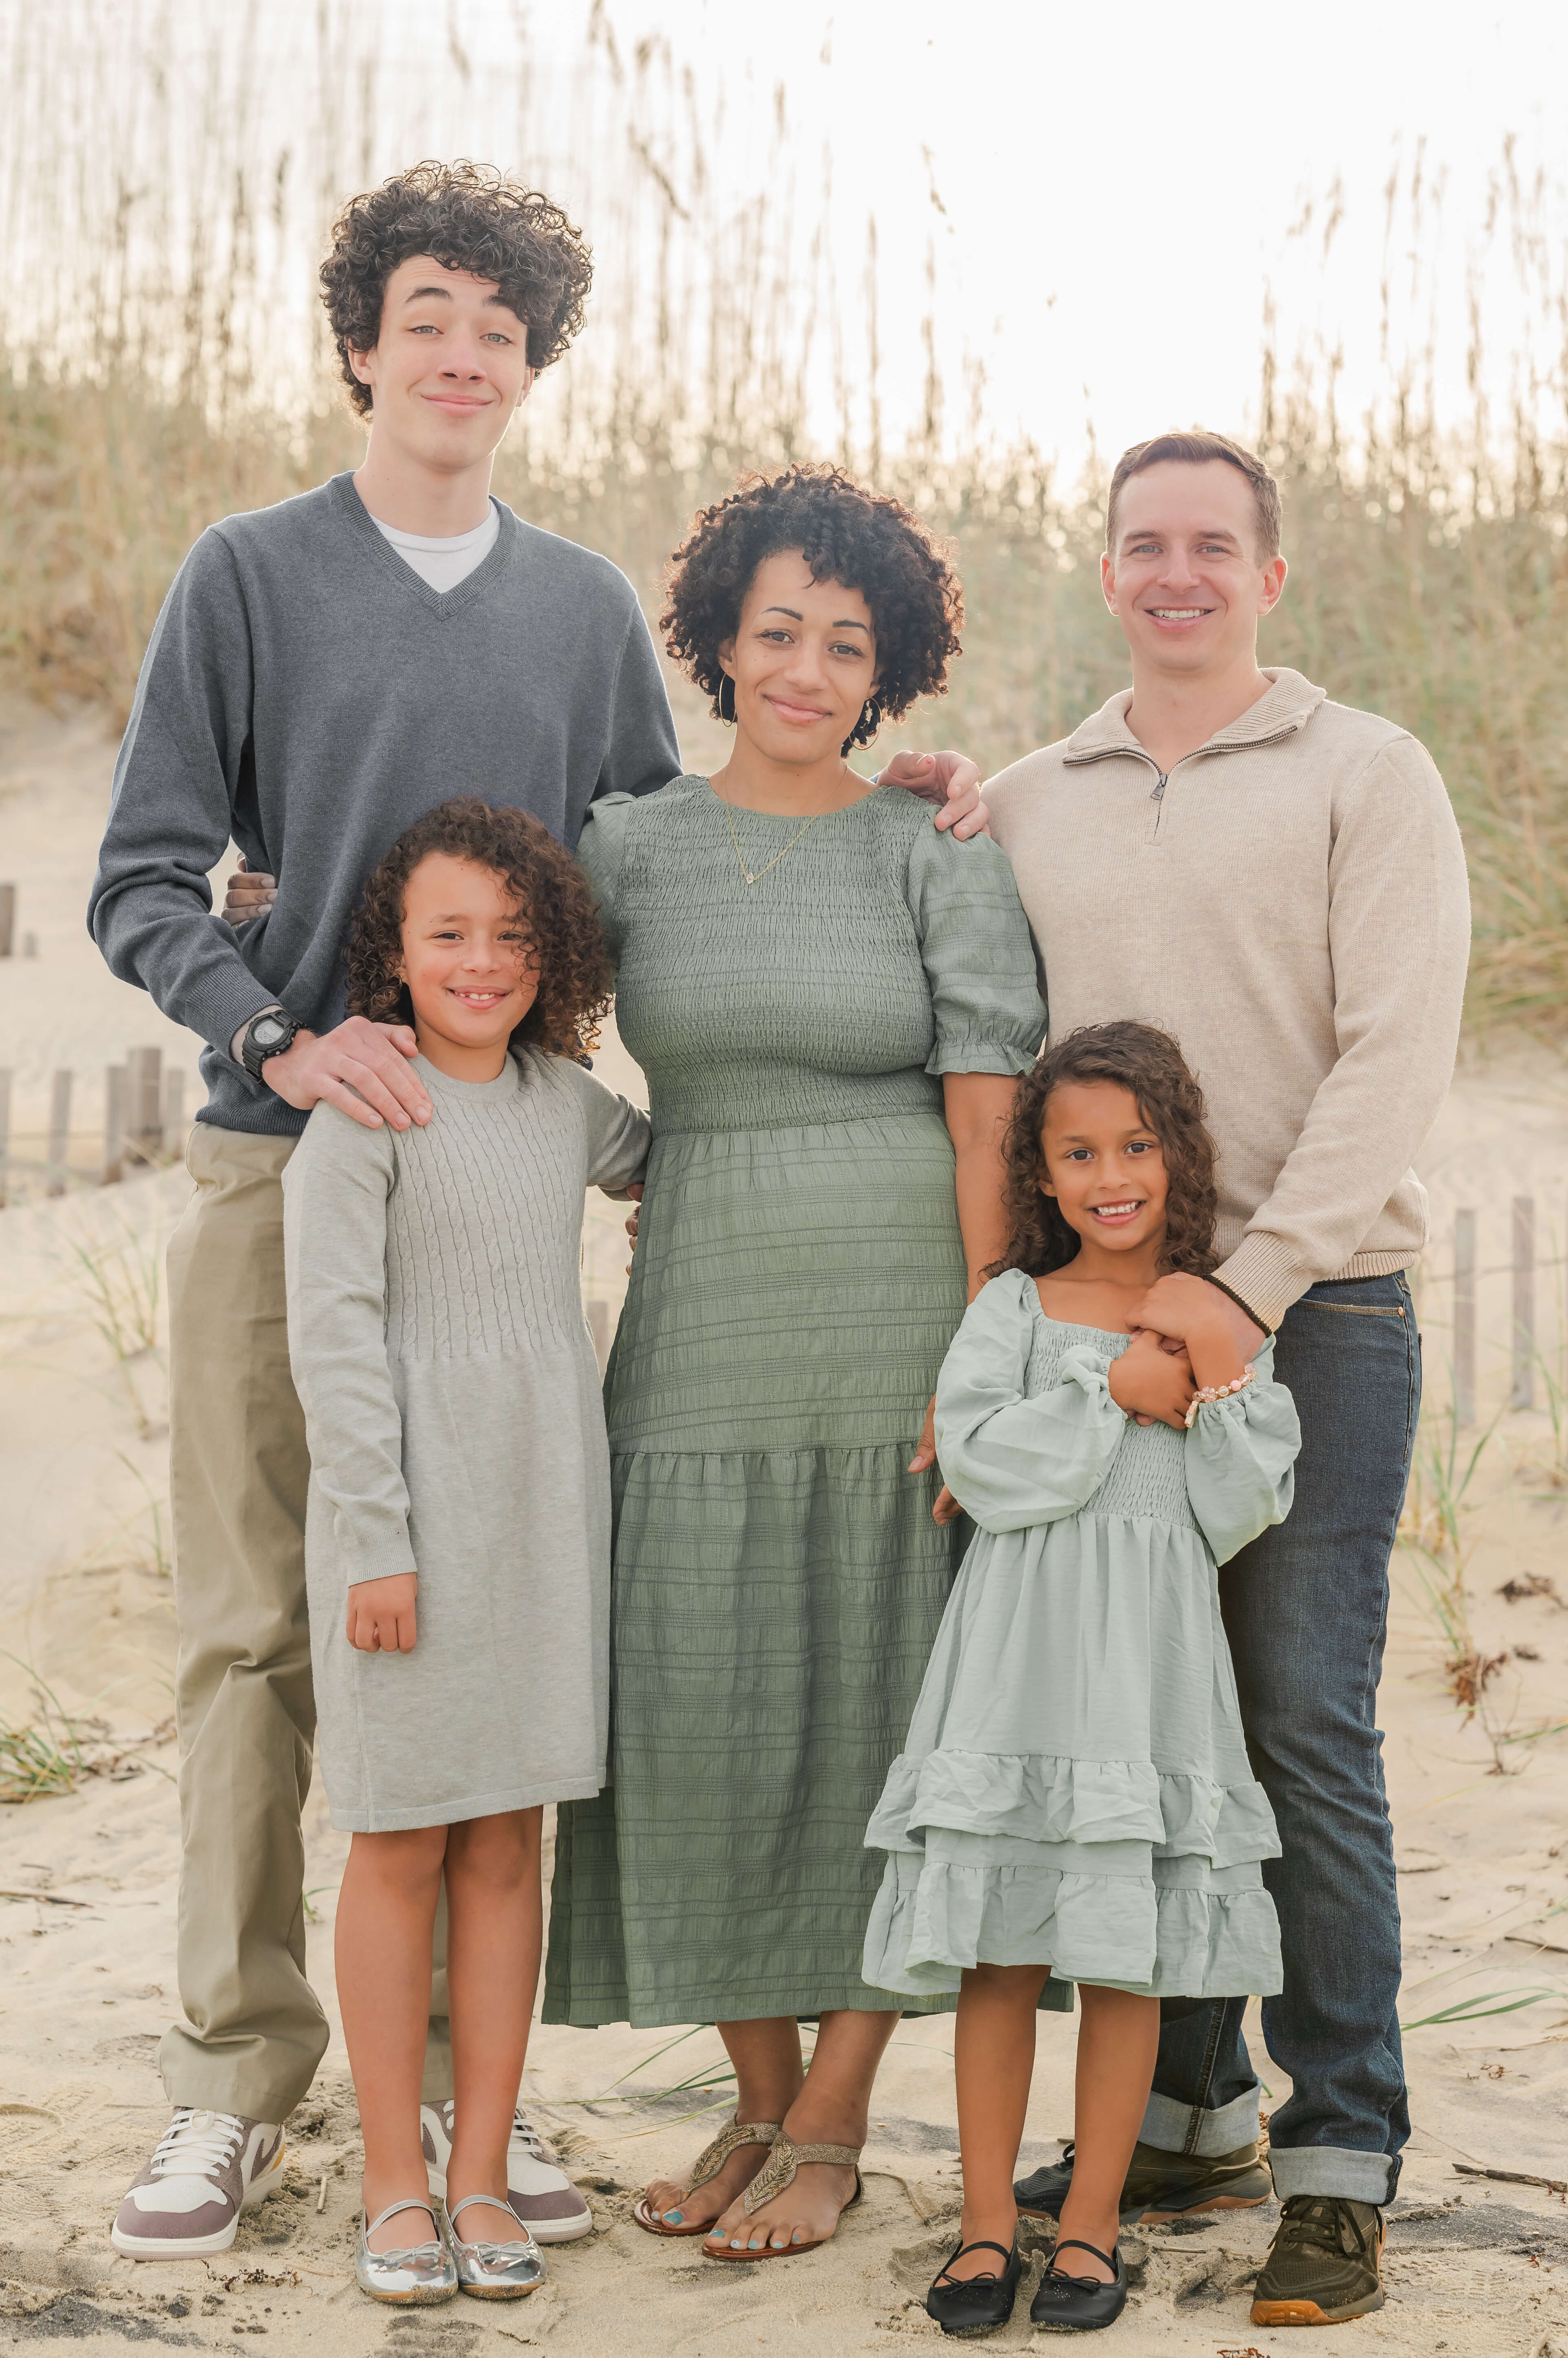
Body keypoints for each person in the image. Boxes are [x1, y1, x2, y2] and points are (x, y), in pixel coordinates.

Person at [93, 156, 984, 2260]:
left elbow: (656, 849)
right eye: (427, 316)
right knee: (260, 1629)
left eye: (500, 328)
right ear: (358, 342)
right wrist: (281, 1031)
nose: (461, 354)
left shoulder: (582, 605)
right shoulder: (246, 573)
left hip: (507, 1184)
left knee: (493, 1648)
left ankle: (467, 2112)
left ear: (531, 365)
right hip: (286, 1162)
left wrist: (918, 782)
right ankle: (237, 2079)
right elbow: (145, 872)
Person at [972, 431, 1471, 2330]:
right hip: (1106, 1329)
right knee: (1143, 1718)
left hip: (1320, 1317)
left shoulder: (1371, 773)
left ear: (1273, 573)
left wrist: (1245, 1292)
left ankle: (1342, 2150)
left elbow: (1395, 1053)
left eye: (1212, 546)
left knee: (1292, 1719)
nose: (1175, 572)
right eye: (1141, 546)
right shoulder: (1036, 793)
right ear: (1106, 572)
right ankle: (1189, 2106)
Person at [541, 464, 1044, 2262]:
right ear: (719, 643)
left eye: (847, 642)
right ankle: (754, 2097)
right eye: (779, 632)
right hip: (695, 1322)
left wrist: (982, 1359)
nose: (809, 669)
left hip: (899, 1311)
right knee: (688, 1703)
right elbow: (504, 1024)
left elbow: (991, 1123)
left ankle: (832, 2114)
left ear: (887, 664)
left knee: (878, 1714)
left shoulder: (933, 847)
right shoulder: (628, 844)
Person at [865, 1023, 1298, 2335]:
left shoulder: (1216, 1317)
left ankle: (1095, 2226)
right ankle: (988, 2221)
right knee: (999, 1953)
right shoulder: (1011, 1306)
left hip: (1148, 1679)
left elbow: (1241, 1505)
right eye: (1077, 1153)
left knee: (1124, 1959)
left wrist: (1206, 1377)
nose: (1111, 1174)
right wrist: (1112, 1391)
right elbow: (986, 1466)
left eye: (1135, 1145)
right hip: (1017, 1669)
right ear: (1041, 1177)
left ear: (1179, 1156)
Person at [282, 801, 647, 2303]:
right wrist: (376, 1539)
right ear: (396, 949)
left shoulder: (567, 1100)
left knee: (511, 1843)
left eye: (512, 932)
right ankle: (390, 2182)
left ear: (550, 946)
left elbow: (678, 1160)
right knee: (402, 1835)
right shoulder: (360, 1111)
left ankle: (484, 2170)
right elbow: (336, 1340)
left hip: (545, 1515)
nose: (482, 960)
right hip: (408, 1526)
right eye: (448, 933)